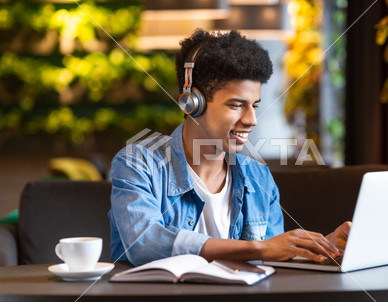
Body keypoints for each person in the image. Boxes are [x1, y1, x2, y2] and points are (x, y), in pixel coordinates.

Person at [108, 29, 351, 266]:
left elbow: (275, 260)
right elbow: (143, 242)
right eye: (236, 105)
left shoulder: (259, 178)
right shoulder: (137, 165)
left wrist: (323, 248)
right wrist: (259, 249)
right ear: (192, 104)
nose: (251, 119)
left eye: (254, 105)